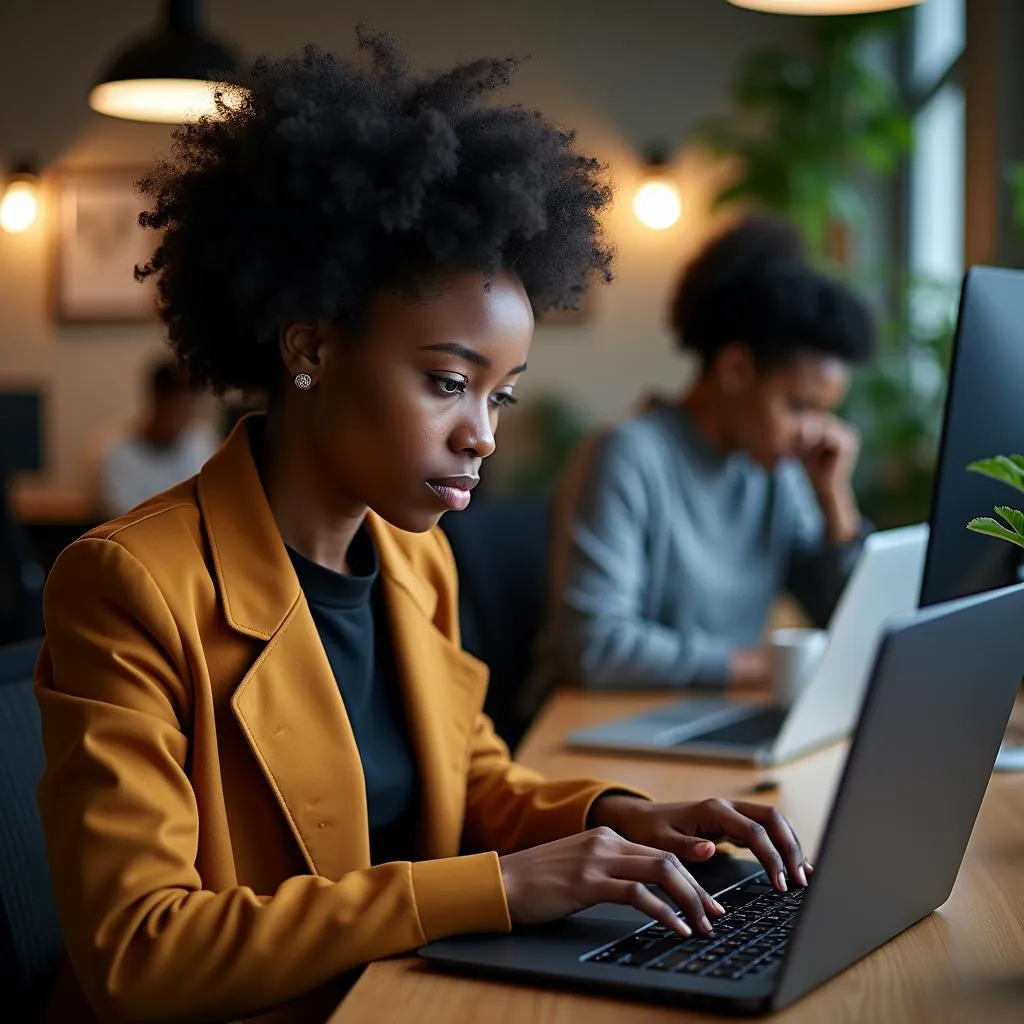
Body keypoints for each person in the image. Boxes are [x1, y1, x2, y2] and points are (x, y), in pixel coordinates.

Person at [35, 37, 811, 1024]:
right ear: (311, 347)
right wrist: (498, 887)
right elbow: (139, 952)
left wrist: (614, 817)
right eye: (448, 382)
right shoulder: (129, 586)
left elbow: (466, 775)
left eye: (501, 395)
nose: (481, 436)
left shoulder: (411, 556)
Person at [533, 215, 875, 698]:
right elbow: (595, 647)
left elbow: (848, 625)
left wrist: (834, 498)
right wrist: (759, 666)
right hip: (597, 720)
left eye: (825, 413)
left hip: (704, 708)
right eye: (798, 407)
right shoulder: (630, 455)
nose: (815, 433)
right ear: (735, 369)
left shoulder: (776, 469)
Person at [97, 357, 217, 516]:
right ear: (157, 400)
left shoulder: (202, 442)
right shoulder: (116, 453)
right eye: (179, 403)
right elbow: (125, 519)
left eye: (193, 402)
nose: (188, 411)